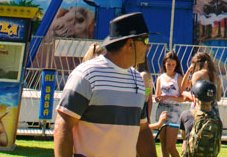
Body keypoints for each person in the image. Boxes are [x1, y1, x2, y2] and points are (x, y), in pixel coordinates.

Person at [54, 12, 155, 157]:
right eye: (145, 40)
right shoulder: (87, 75)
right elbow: (63, 125)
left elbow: (142, 129)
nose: (148, 46)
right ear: (130, 44)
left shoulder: (137, 79)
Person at [155, 52, 186, 157]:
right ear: (164, 64)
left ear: (176, 65)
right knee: (163, 145)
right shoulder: (160, 78)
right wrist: (159, 98)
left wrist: (169, 97)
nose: (171, 67)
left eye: (173, 65)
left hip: (174, 111)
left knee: (170, 146)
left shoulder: (178, 77)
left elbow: (183, 98)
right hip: (162, 110)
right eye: (168, 64)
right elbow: (157, 96)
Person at [180, 80, 221, 157]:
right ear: (212, 102)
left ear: (194, 99)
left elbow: (184, 138)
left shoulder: (186, 115)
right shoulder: (217, 120)